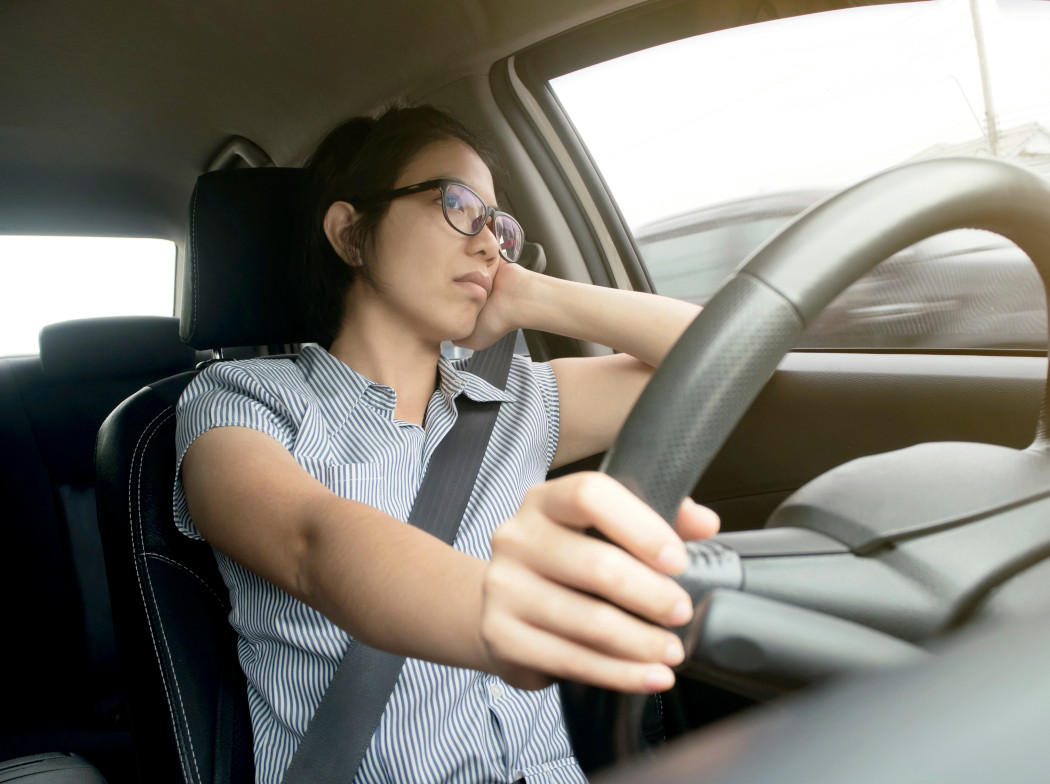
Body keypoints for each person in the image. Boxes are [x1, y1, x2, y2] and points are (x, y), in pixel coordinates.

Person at [174, 105, 720, 784]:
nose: (489, 242)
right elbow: (311, 543)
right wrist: (507, 607)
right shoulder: (241, 400)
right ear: (351, 234)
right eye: (457, 204)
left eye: (499, 225)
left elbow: (724, 358)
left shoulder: (521, 400)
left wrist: (535, 297)